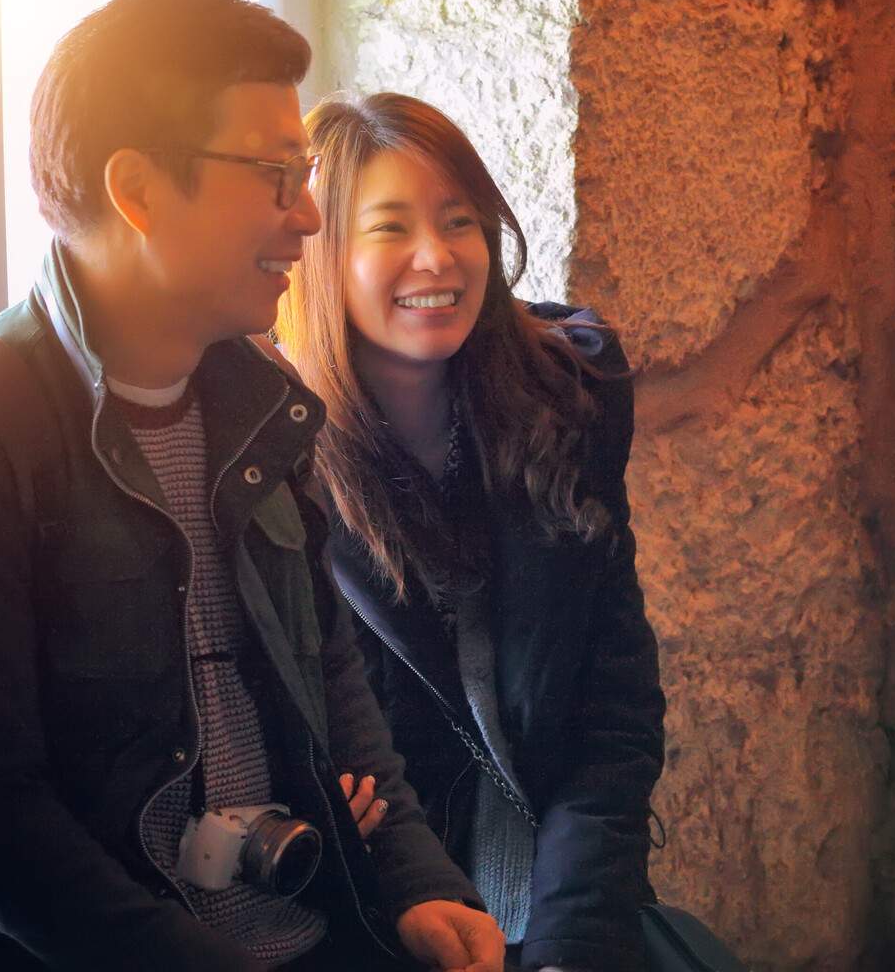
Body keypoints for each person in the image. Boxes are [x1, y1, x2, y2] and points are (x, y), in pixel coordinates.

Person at [0, 0, 503, 972]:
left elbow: (331, 687)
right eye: (275, 173)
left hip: (319, 933)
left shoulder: (264, 401)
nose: (309, 214)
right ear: (140, 189)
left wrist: (417, 878)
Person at [275, 93, 666, 972]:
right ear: (318, 254)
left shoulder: (568, 399)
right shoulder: (270, 451)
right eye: (390, 228)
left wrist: (573, 943)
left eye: (461, 221)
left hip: (561, 889)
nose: (437, 257)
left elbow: (614, 714)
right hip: (376, 909)